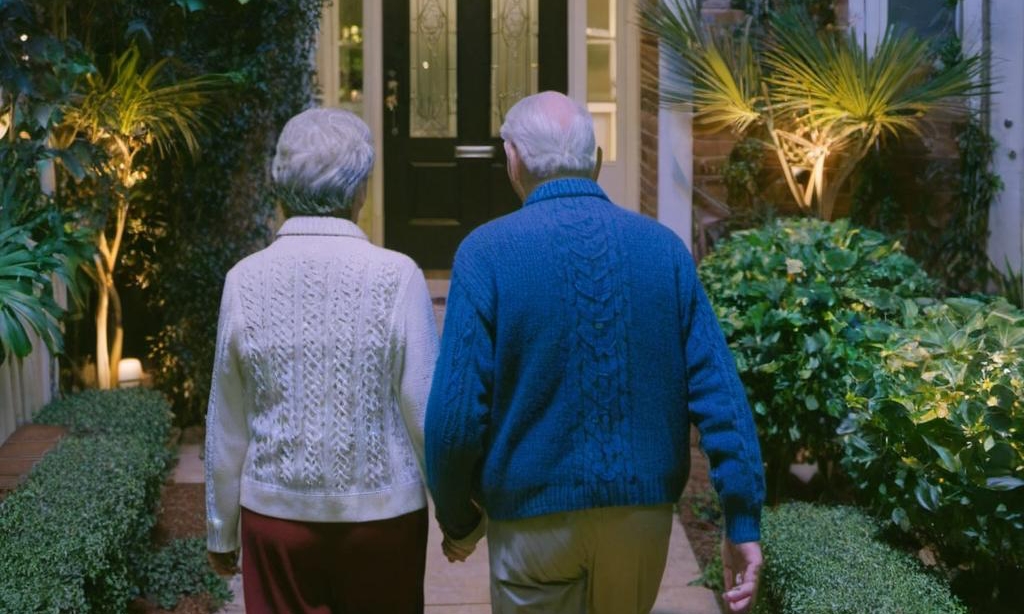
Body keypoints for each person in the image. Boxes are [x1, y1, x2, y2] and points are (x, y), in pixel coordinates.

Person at [424, 91, 765, 614]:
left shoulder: (484, 254)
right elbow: (720, 394)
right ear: (598, 159)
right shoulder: (664, 250)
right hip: (640, 519)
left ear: (512, 160)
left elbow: (453, 421)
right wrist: (741, 518)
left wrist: (459, 519)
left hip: (532, 523)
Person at [205, 108, 438, 613]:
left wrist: (221, 529)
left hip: (277, 520)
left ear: (280, 186)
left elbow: (228, 420)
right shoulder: (398, 276)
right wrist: (460, 518)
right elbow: (425, 410)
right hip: (383, 522)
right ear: (360, 192)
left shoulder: (244, 279)